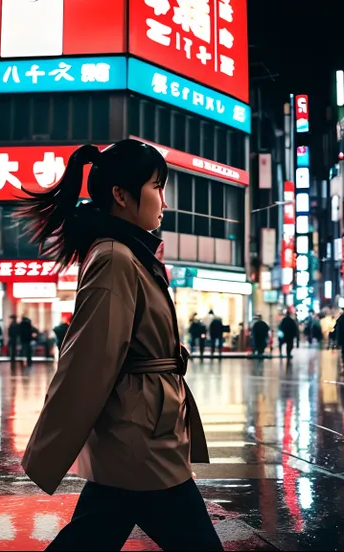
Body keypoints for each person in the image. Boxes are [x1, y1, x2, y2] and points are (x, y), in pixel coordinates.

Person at [14, 140, 220, 550]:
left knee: (94, 532)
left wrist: (165, 354)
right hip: (140, 436)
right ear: (121, 195)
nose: (163, 200)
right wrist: (48, 449)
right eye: (156, 187)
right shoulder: (116, 257)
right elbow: (89, 361)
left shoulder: (129, 253)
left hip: (140, 431)